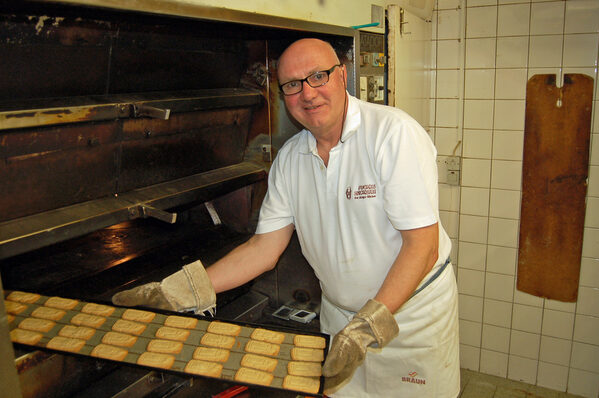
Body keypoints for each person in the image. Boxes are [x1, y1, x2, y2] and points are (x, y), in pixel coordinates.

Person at [113, 38, 459, 397]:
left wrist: (368, 327)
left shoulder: (392, 134)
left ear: (342, 77)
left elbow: (423, 247)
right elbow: (263, 249)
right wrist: (184, 289)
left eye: (318, 76)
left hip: (408, 322)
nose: (307, 94)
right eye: (292, 85)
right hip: (340, 320)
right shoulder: (291, 159)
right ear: (283, 95)